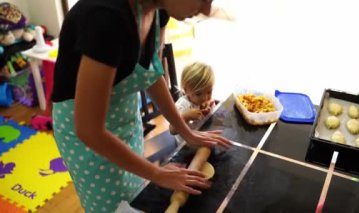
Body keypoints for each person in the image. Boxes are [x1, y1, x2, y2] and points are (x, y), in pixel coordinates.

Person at [51, 0, 231, 212]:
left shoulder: (157, 10)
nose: (206, 10)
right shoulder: (105, 18)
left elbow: (151, 75)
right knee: (111, 207)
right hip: (88, 141)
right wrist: (158, 174)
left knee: (135, 196)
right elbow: (89, 131)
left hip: (124, 119)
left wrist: (187, 133)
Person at [169, 62, 216, 137]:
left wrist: (209, 113)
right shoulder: (182, 105)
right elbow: (172, 130)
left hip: (202, 133)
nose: (205, 98)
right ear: (186, 90)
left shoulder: (208, 101)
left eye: (209, 92)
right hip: (186, 140)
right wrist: (185, 117)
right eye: (198, 94)